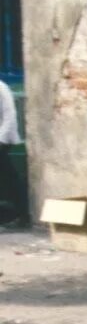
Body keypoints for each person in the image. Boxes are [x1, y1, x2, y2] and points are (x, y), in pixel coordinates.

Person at [0, 78, 24, 226]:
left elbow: (10, 116)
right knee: (8, 176)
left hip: (4, 139)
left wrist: (1, 139)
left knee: (9, 177)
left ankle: (20, 214)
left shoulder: (1, 89)